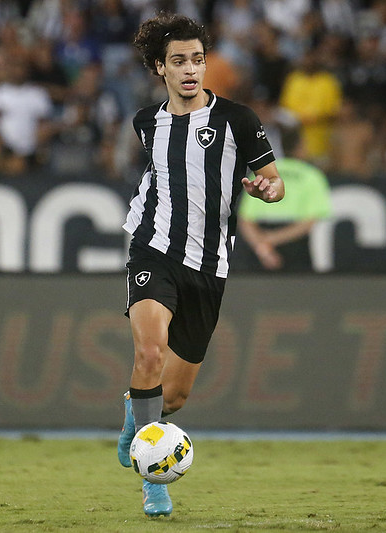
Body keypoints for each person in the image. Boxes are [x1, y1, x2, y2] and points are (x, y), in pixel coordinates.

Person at [117, 12, 284, 518]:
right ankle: (154, 484)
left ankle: (134, 418)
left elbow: (274, 182)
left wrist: (265, 189)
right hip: (153, 248)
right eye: (178, 61)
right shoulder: (146, 122)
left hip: (209, 265)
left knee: (174, 398)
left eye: (197, 59)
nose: (191, 69)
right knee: (150, 353)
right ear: (158, 68)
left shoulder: (238, 119)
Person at [235, 129, 331, 272]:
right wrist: (272, 239)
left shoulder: (264, 173)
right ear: (300, 147)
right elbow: (310, 221)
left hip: (260, 243)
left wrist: (262, 247)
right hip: (295, 245)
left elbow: (245, 220)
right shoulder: (312, 175)